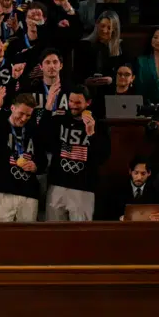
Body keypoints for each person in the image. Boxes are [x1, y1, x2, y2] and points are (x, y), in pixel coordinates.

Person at [42, 85, 106, 221]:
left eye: (78, 103)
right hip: (57, 185)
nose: (73, 106)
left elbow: (102, 157)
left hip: (83, 188)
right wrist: (48, 107)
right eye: (71, 101)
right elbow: (43, 140)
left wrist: (91, 134)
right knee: (53, 234)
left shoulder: (98, 125)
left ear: (88, 103)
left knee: (80, 236)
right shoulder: (60, 120)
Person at [0, 92, 44, 222]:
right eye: (21, 113)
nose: (24, 118)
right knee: (0, 237)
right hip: (3, 191)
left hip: (29, 193)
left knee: (27, 238)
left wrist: (36, 166)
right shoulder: (0, 126)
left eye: (28, 115)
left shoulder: (33, 131)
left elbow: (43, 160)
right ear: (13, 108)